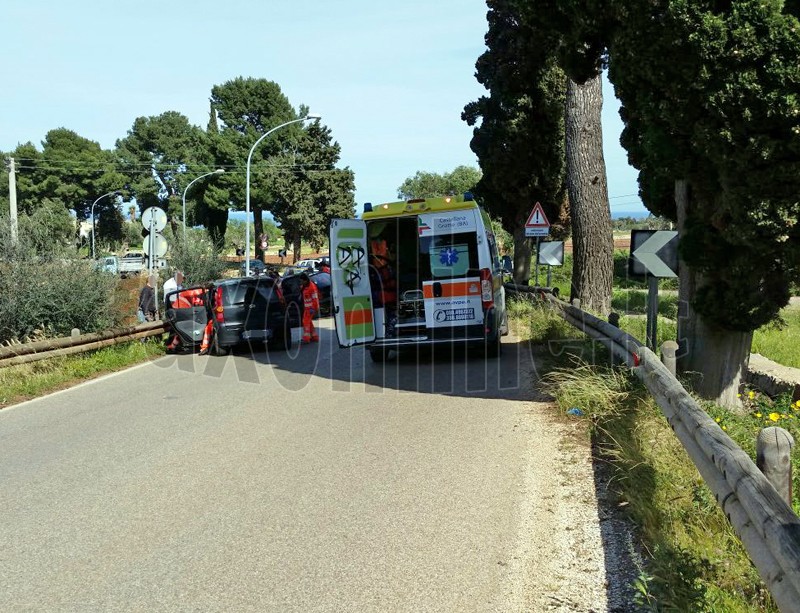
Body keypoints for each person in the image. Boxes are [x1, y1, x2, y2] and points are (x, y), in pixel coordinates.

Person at [300, 272, 320, 343]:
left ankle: (307, 337)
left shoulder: (312, 287)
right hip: (307, 308)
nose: (301, 282)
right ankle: (314, 336)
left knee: (305, 322)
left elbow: (315, 299)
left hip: (311, 308)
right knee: (309, 322)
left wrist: (313, 308)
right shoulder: (304, 286)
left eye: (302, 281)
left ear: (305, 280)